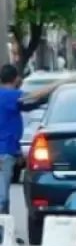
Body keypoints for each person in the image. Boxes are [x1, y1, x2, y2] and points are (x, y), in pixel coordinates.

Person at [0, 66, 70, 214]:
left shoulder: (8, 99)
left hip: (8, 150)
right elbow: (35, 96)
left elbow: (31, 104)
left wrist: (18, 152)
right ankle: (3, 231)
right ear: (17, 79)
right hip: (3, 152)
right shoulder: (9, 95)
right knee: (3, 197)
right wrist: (61, 83)